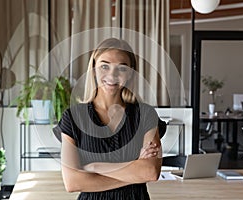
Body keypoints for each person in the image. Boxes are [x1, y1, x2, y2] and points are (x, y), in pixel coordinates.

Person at [53, 38, 166, 200]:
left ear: (130, 74)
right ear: (93, 69)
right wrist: (133, 172)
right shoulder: (73, 117)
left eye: (122, 68)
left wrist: (94, 167)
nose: (112, 75)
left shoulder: (146, 115)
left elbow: (150, 172)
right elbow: (73, 182)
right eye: (104, 66)